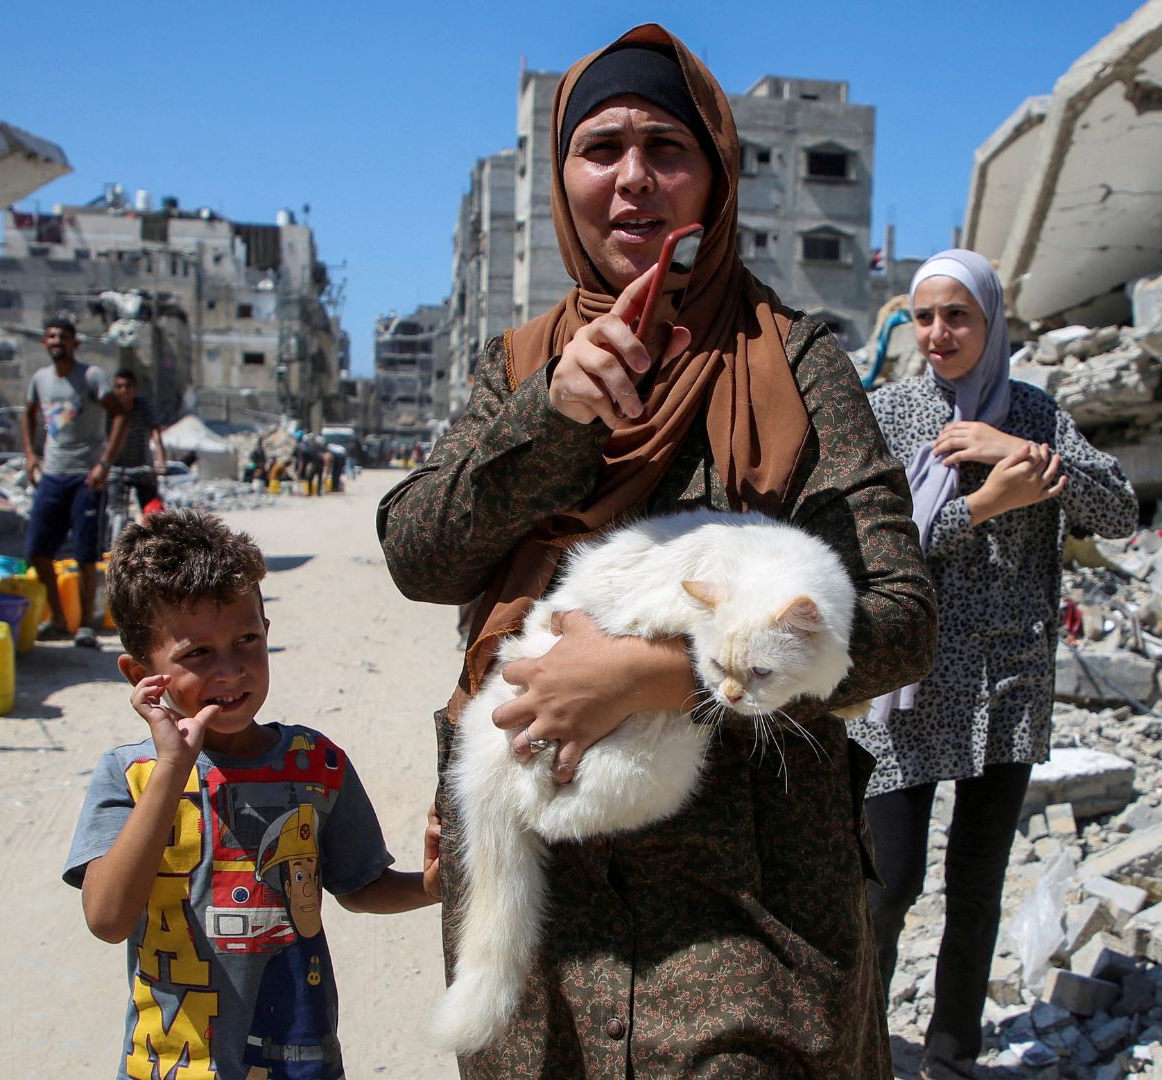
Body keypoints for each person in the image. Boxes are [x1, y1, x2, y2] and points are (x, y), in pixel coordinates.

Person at [378, 24, 935, 1077]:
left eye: (666, 148)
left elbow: (901, 618)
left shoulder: (796, 362)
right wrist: (550, 420)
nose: (633, 179)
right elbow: (421, 556)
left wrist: (653, 674)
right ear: (564, 177)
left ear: (714, 179)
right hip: (542, 914)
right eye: (602, 148)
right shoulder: (520, 368)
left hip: (749, 904)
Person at [849, 250, 1138, 1080]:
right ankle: (858, 1047)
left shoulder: (1035, 414)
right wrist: (983, 504)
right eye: (924, 316)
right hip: (906, 690)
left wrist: (1016, 449)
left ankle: (951, 1056)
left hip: (1005, 689)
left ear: (991, 321)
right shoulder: (891, 414)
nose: (939, 333)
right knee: (889, 884)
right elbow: (873, 555)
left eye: (957, 316)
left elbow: (1118, 507)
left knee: (975, 890)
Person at [63, 509, 441, 1080]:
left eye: (247, 639)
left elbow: (360, 886)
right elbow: (108, 917)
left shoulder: (316, 765)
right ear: (141, 673)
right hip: (173, 1064)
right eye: (197, 654)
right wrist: (172, 767)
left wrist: (432, 887)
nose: (232, 670)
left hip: (299, 1058)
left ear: (268, 631)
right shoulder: (131, 775)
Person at [19, 316, 126, 647]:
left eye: (63, 337)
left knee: (85, 557)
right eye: (51, 337)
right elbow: (28, 413)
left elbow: (120, 412)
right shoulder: (40, 380)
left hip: (85, 477)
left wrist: (105, 463)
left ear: (75, 344)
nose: (57, 342)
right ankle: (60, 620)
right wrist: (30, 454)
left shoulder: (91, 377)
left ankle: (85, 627)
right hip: (52, 474)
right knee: (37, 552)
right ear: (44, 342)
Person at [106, 368, 166, 526]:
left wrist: (161, 461)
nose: (124, 391)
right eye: (119, 387)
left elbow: (156, 433)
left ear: (135, 389)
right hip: (115, 467)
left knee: (154, 513)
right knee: (114, 513)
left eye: (128, 386)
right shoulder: (109, 409)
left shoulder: (143, 406)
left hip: (141, 467)